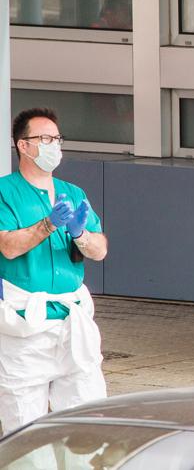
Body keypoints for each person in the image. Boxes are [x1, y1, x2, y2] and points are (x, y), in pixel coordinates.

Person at [0, 108, 108, 433]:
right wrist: (49, 225)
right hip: (25, 326)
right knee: (25, 426)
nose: (53, 146)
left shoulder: (73, 193)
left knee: (87, 424)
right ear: (23, 145)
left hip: (72, 321)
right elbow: (7, 245)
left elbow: (100, 249)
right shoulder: (5, 192)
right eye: (44, 139)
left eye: (56, 139)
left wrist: (80, 234)